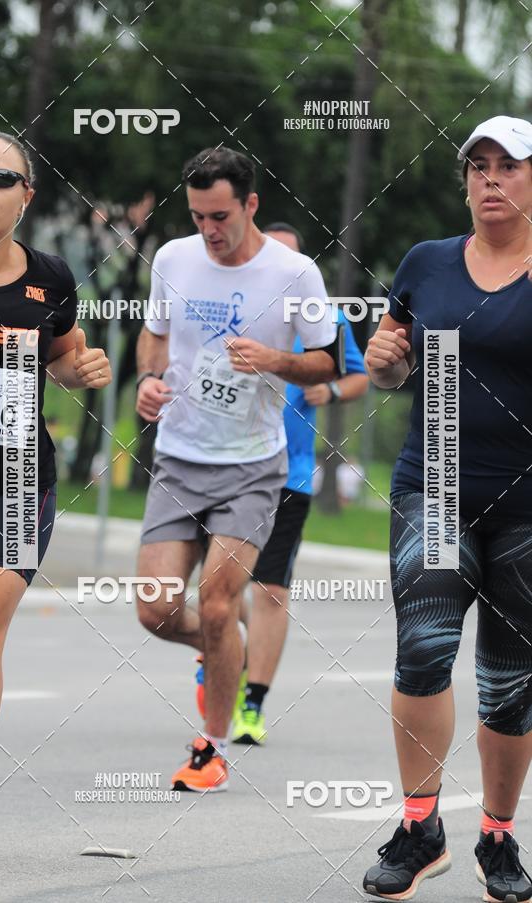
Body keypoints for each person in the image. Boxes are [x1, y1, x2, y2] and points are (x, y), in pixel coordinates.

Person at [362, 115, 532, 902]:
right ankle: (420, 823)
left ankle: (497, 833)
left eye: (509, 165)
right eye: (478, 166)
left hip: (526, 505)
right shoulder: (427, 264)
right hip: (432, 484)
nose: (491, 178)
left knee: (509, 680)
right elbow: (390, 364)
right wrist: (384, 360)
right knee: (424, 645)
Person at [0, 130, 111, 866]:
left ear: (24, 197)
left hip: (12, 483)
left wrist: (83, 369)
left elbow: (64, 354)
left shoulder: (51, 278)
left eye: (1, 179)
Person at [135, 147, 338, 792]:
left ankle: (211, 752)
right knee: (156, 611)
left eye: (220, 215)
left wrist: (276, 362)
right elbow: (156, 334)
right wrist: (146, 377)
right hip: (179, 456)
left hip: (253, 465)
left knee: (218, 604)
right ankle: (225, 653)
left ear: (251, 204)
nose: (209, 231)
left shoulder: (296, 273)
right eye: (198, 217)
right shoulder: (172, 259)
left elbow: (329, 362)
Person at [230, 221, 368, 745]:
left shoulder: (323, 314)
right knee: (216, 588)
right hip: (224, 466)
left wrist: (328, 394)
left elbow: (355, 373)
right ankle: (221, 646)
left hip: (289, 474)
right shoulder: (233, 301)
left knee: (269, 589)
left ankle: (252, 702)